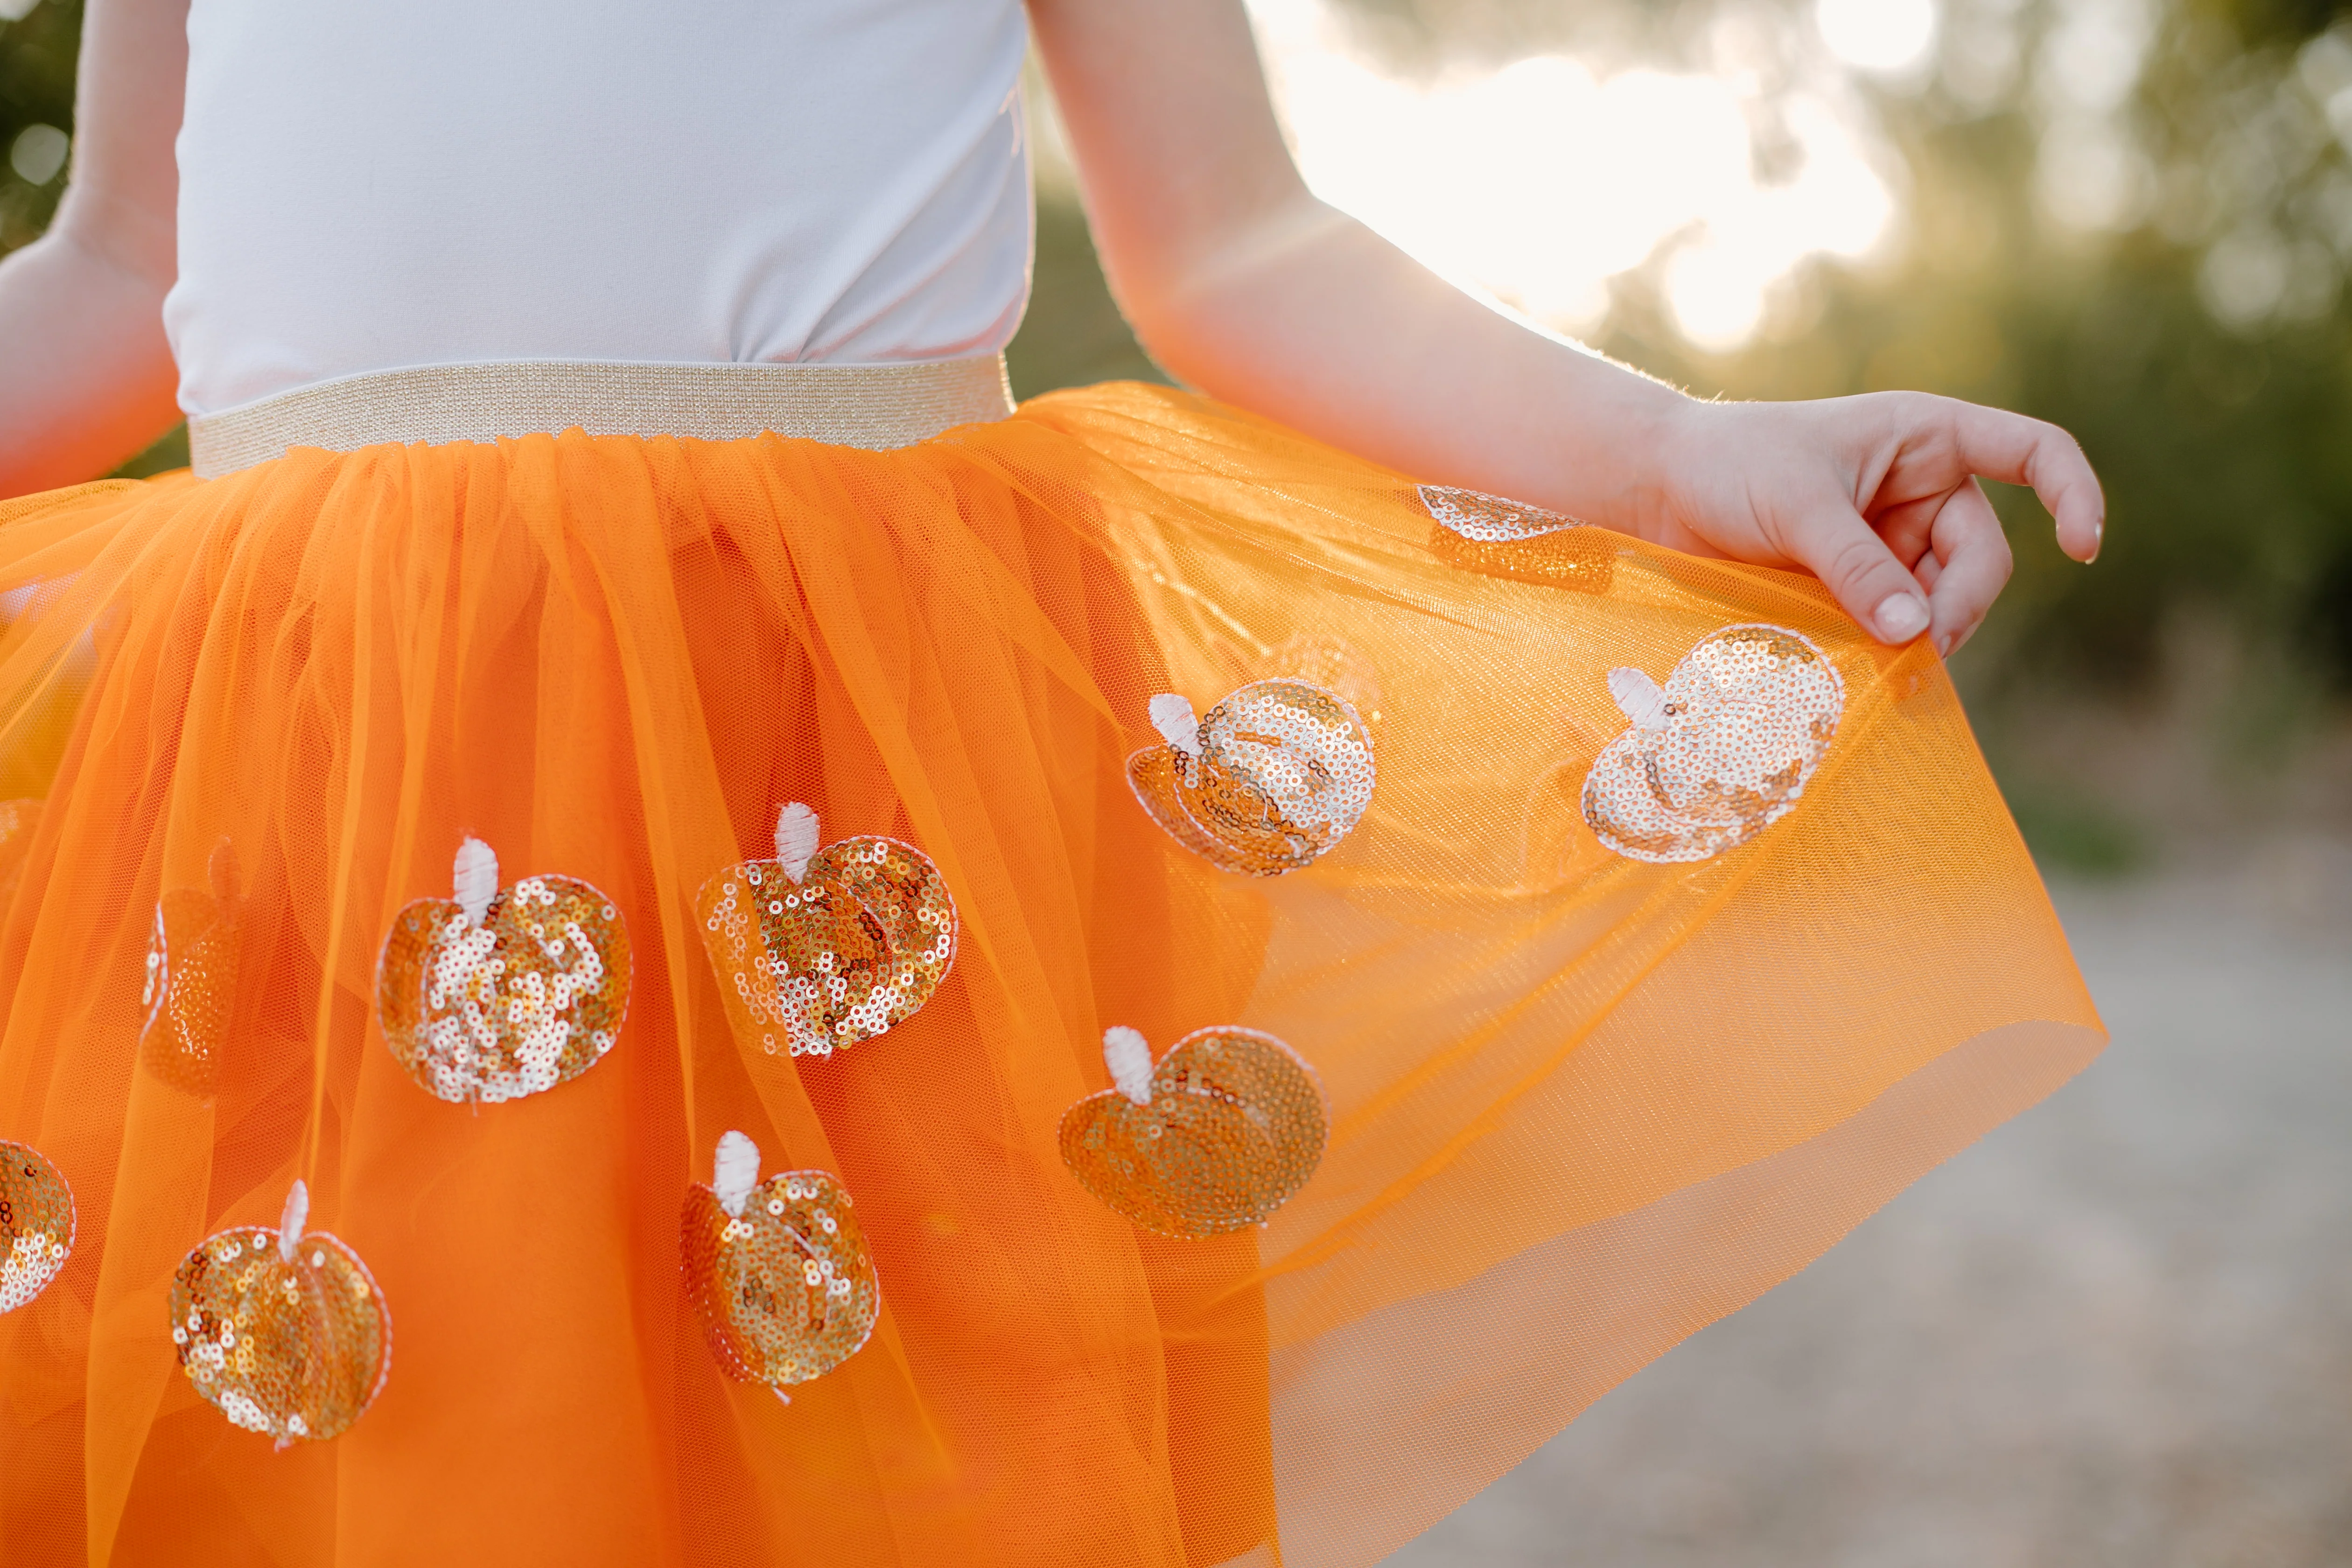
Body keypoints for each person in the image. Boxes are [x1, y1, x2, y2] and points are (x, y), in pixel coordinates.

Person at [0, 0, 2107, 1560]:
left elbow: (1239, 248)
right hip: (339, 777)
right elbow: (121, 275)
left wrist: (1676, 452)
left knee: (926, 1492)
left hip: (850, 787)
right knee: (413, 1458)